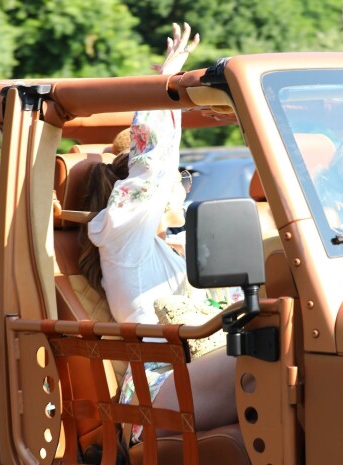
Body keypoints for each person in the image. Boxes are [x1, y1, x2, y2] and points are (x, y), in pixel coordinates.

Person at [78, 22, 238, 444]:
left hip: (192, 368)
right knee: (260, 357)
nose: (185, 185)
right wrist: (164, 87)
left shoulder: (171, 247)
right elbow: (151, 167)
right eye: (181, 176)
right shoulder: (123, 240)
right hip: (157, 386)